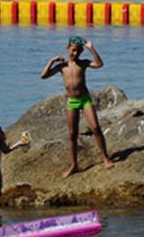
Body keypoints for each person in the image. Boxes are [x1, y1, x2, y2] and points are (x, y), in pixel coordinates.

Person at [40, 36, 115, 177]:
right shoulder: (62, 67)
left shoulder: (83, 63)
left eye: (79, 51)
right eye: (73, 50)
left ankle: (105, 158)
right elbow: (43, 76)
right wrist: (51, 61)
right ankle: (74, 165)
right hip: (72, 102)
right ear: (67, 48)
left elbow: (99, 64)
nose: (75, 54)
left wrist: (91, 48)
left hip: (85, 99)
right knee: (72, 134)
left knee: (95, 128)